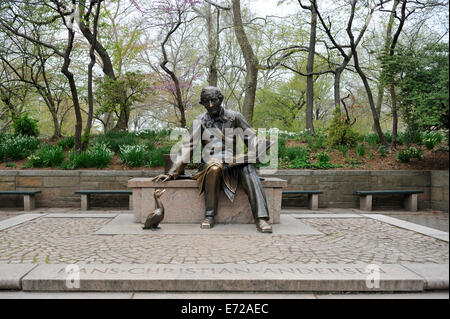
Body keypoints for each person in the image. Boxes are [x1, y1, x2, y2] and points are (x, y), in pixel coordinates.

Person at [152, 86, 272, 233]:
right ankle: (209, 215)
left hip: (233, 163)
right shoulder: (199, 121)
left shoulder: (235, 117)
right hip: (211, 164)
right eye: (206, 101)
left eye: (213, 100)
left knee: (249, 169)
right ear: (202, 103)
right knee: (213, 168)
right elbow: (187, 146)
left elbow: (251, 139)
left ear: (220, 99)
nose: (210, 105)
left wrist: (259, 147)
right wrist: (172, 172)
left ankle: (261, 218)